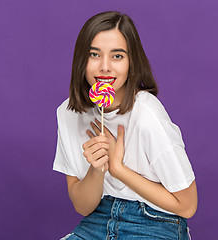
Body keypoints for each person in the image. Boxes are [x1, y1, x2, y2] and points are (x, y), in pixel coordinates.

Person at [53, 11, 197, 240]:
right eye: (94, 54)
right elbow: (82, 206)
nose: (105, 67)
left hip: (155, 221)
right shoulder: (68, 113)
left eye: (117, 56)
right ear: (81, 59)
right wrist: (97, 169)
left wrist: (118, 169)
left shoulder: (146, 113)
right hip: (98, 219)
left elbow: (187, 205)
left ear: (131, 62)